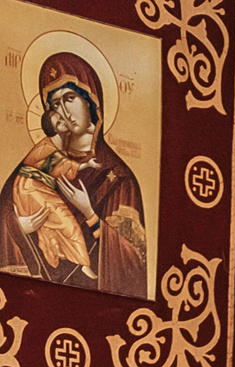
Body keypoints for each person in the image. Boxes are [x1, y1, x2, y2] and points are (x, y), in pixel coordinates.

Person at [3, 51, 148, 296]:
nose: (63, 110)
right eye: (55, 104)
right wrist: (19, 226)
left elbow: (134, 260)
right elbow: (5, 214)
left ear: (91, 101)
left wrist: (89, 213)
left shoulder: (119, 178)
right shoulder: (38, 162)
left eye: (70, 97)